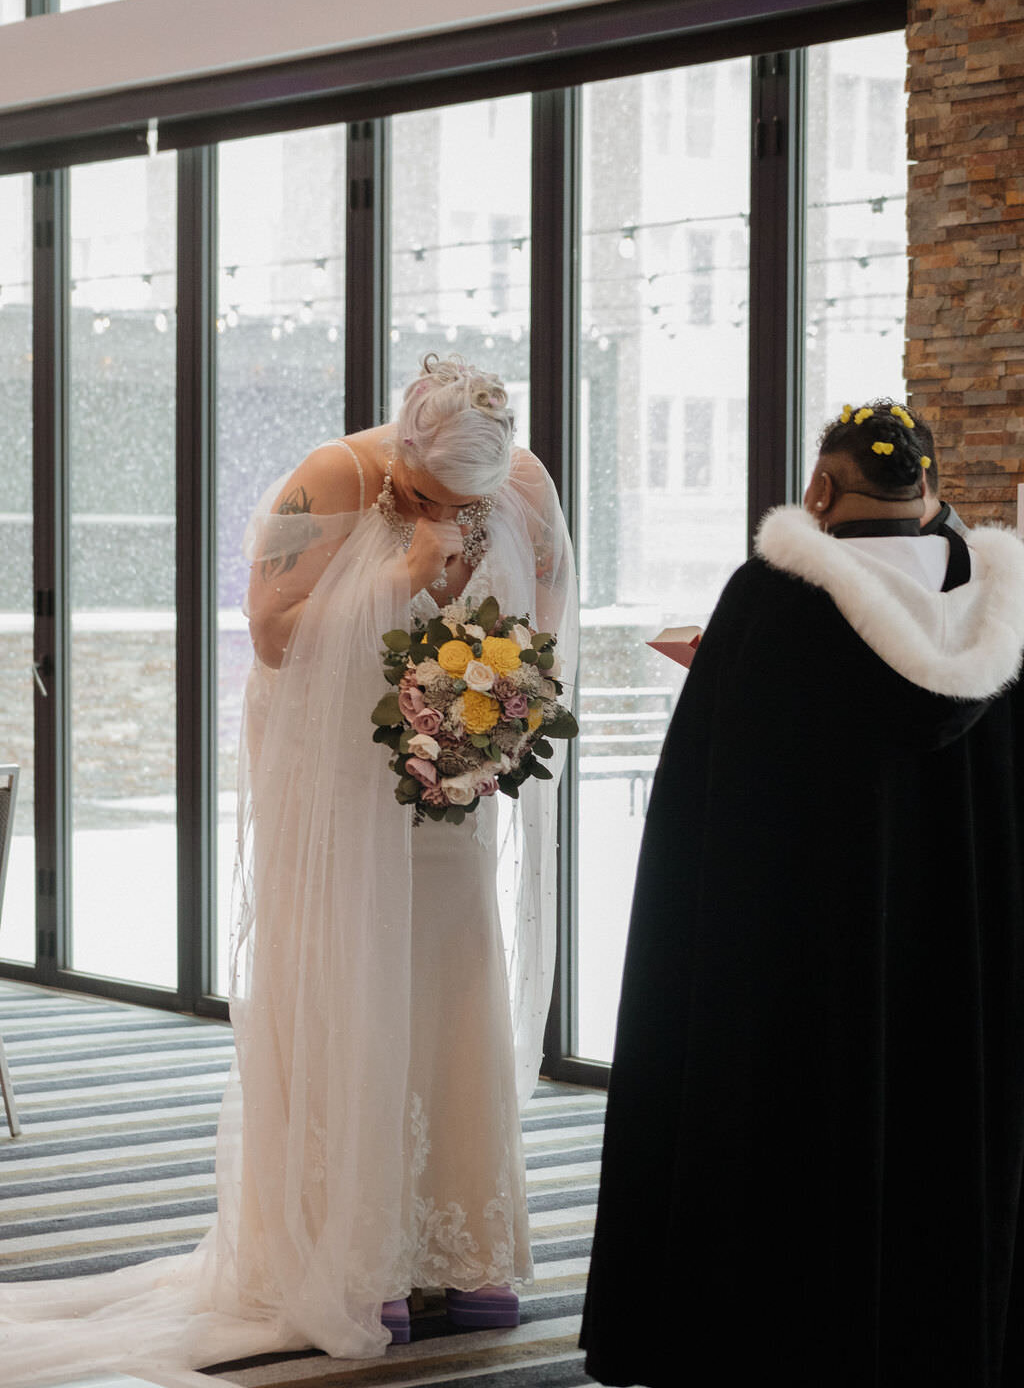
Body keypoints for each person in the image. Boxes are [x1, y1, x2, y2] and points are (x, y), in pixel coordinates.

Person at [0, 355, 578, 1384]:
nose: (456, 514)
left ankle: (467, 1244)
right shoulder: (328, 479)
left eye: (469, 501)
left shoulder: (523, 484)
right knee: (346, 993)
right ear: (403, 454)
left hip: (447, 787)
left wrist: (489, 719)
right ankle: (358, 1253)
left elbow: (543, 628)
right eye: (437, 498)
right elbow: (270, 638)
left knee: (454, 985)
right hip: (331, 791)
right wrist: (402, 579)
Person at [581, 400, 1024, 1388]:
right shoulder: (997, 607)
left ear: (820, 490)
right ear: (931, 486)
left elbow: (715, 807)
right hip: (954, 958)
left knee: (790, 1140)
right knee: (938, 1133)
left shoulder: (774, 600)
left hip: (796, 964)